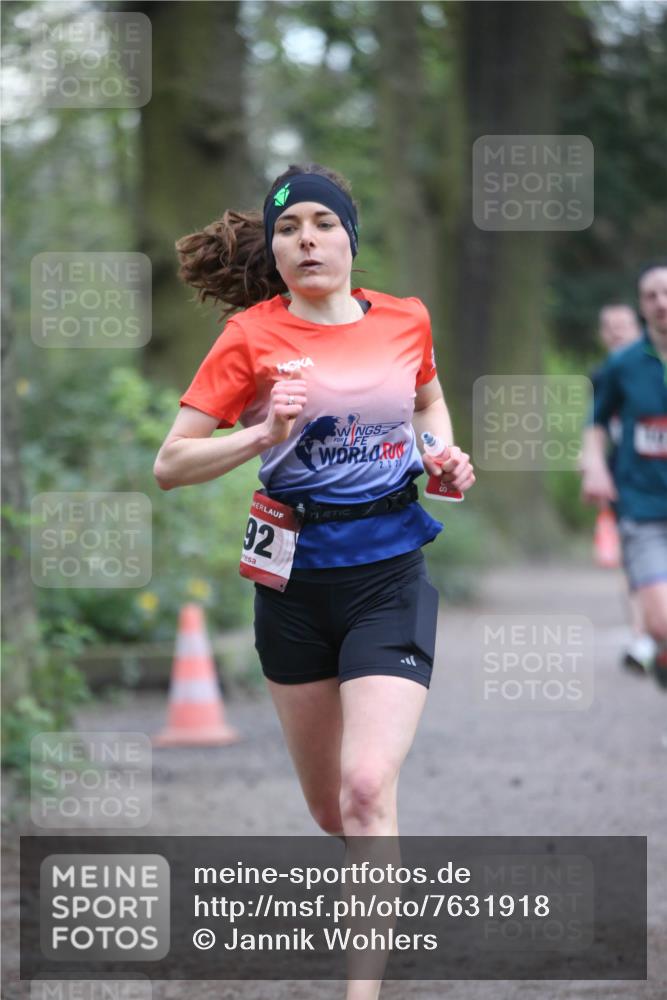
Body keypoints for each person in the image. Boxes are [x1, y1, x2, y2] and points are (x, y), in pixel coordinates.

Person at [153, 163, 475, 999]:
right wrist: (262, 431)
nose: (307, 240)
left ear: (348, 238)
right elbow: (171, 464)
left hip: (388, 573)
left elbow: (428, 402)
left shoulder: (405, 318)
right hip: (291, 583)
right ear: (277, 248)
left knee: (367, 789)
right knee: (334, 811)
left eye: (323, 225)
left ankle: (359, 990)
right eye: (290, 228)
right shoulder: (250, 338)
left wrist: (439, 452)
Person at [581, 263, 667, 688]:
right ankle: (650, 644)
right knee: (662, 622)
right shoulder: (621, 366)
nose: (662, 303)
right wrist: (595, 467)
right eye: (652, 296)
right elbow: (594, 423)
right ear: (642, 305)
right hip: (641, 502)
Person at [590, 304, 656, 672]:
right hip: (626, 476)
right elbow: (596, 426)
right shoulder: (604, 374)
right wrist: (593, 464)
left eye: (623, 325)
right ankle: (641, 635)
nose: (615, 332)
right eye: (608, 326)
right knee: (635, 556)